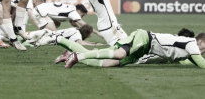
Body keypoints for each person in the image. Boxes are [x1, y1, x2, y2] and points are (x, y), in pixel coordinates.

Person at [48, 29, 205, 69]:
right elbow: (201, 63)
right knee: (118, 53)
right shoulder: (191, 44)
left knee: (111, 63)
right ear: (200, 41)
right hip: (145, 38)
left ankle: (72, 54)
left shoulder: (188, 52)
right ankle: (76, 55)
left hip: (145, 51)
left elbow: (195, 63)